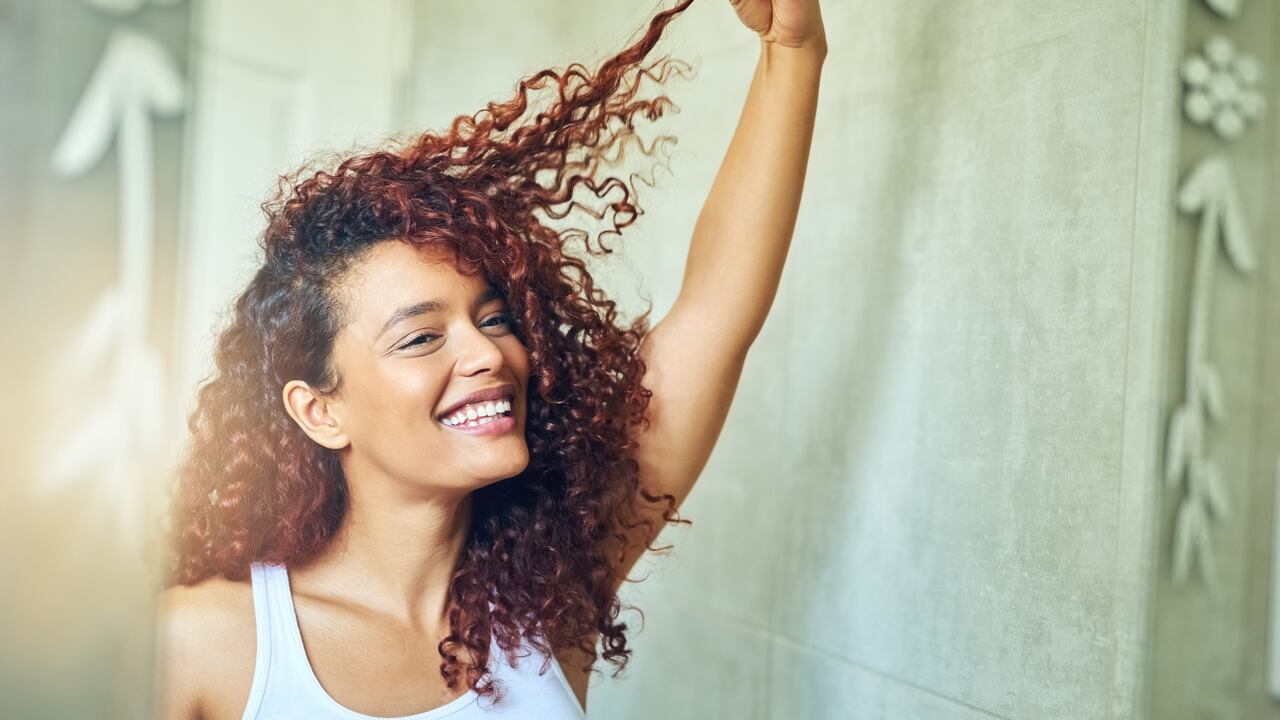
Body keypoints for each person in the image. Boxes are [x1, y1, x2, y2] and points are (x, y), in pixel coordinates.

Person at [143, 0, 825, 717]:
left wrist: (794, 51)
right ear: (320, 410)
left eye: (494, 318)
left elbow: (715, 311)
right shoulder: (205, 641)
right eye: (420, 337)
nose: (489, 354)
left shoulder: (546, 607)